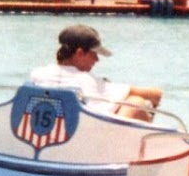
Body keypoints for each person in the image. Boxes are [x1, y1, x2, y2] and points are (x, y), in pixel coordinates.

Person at [29, 24, 162, 120]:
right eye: (94, 54)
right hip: (84, 139)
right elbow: (154, 94)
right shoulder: (87, 80)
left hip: (51, 132)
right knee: (136, 101)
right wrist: (153, 101)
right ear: (80, 53)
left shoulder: (37, 74)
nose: (97, 60)